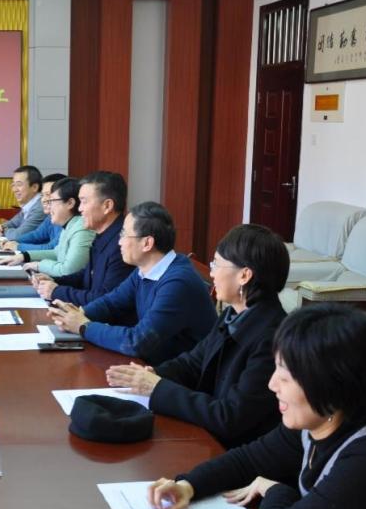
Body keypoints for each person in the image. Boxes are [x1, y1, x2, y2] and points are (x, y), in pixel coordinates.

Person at [148, 304, 366, 509]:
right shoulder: (324, 418)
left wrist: (276, 490)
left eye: (285, 377)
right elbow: (249, 459)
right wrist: (188, 485)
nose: (272, 384)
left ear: (330, 383)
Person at [106, 224, 290, 447]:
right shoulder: (233, 315)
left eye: (216, 264)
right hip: (208, 434)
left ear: (244, 275)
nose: (211, 273)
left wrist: (158, 387)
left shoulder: (273, 339)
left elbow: (230, 416)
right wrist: (152, 374)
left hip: (238, 450)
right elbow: (193, 363)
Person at [48, 201, 216, 365]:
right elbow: (111, 303)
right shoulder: (145, 269)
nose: (119, 242)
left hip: (175, 375)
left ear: (147, 243)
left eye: (124, 235)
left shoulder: (178, 283)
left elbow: (137, 341)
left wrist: (83, 326)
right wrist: (77, 314)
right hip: (150, 365)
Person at [33, 171, 133, 306]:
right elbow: (86, 276)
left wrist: (56, 291)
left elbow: (105, 300)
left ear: (107, 206)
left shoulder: (123, 244)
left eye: (84, 202)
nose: (80, 209)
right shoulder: (102, 234)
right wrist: (54, 281)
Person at [0, 177, 94, 278]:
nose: (49, 205)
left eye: (52, 200)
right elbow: (57, 252)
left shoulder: (82, 229)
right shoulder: (70, 224)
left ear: (70, 203)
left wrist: (39, 265)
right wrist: (24, 256)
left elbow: (67, 271)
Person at [0, 173, 66, 252]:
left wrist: (18, 246)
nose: (44, 200)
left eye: (48, 195)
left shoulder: (67, 220)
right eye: (42, 195)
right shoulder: (50, 217)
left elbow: (52, 249)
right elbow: (36, 235)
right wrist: (13, 241)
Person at [0, 165, 45, 241]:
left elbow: (18, 236)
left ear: (34, 187)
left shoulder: (40, 207)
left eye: (19, 185)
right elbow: (13, 223)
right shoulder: (29, 205)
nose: (14, 190)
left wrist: (4, 230)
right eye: (13, 185)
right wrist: (2, 227)